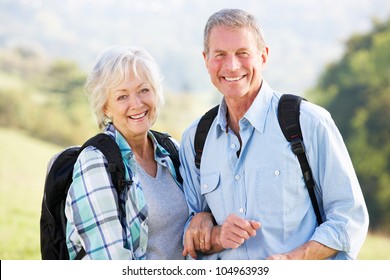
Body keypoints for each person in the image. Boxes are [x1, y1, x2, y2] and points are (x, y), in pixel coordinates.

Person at [179, 8, 369, 260]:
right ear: (206, 60)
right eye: (220, 55)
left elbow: (349, 219)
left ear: (263, 56)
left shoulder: (308, 123)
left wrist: (292, 260)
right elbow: (192, 237)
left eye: (242, 53)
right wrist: (209, 231)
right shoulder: (195, 139)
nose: (232, 66)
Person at [65, 45, 188, 260]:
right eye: (122, 96)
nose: (136, 104)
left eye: (144, 90)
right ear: (106, 107)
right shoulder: (95, 162)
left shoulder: (172, 150)